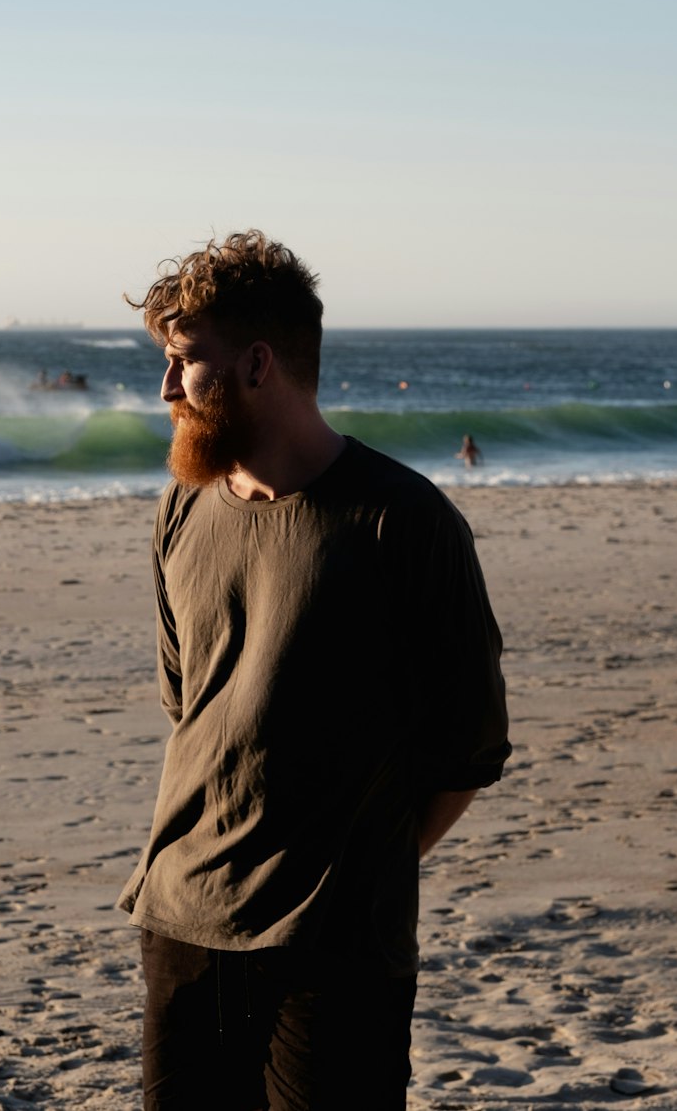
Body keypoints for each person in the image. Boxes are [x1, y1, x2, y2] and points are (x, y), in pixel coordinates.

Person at [119, 231, 510, 1111]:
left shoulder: (404, 523)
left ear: (259, 364)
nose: (166, 389)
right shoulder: (182, 507)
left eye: (186, 362)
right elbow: (191, 703)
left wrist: (356, 868)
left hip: (334, 952)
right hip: (181, 924)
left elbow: (467, 753)